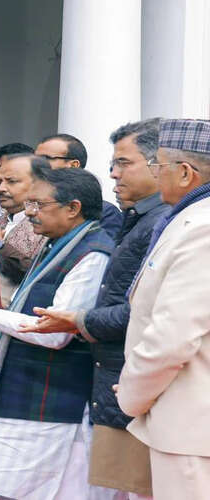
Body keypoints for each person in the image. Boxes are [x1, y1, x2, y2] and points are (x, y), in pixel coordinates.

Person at [0, 166, 115, 499]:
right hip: (26, 396)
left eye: (38, 205)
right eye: (28, 204)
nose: (28, 213)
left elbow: (54, 331)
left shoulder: (92, 254)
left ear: (72, 208)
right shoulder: (59, 244)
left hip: (51, 404)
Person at [16, 119, 168, 499]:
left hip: (140, 386)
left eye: (123, 163)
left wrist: (81, 319)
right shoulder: (143, 218)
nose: (113, 174)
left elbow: (150, 313)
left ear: (160, 163)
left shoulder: (164, 223)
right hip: (118, 384)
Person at [116, 118, 210, 498]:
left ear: (185, 173)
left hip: (191, 423)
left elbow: (173, 336)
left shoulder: (202, 228)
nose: (154, 174)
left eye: (158, 166)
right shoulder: (188, 219)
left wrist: (132, 395)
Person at [0, 153, 47, 301]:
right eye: (0, 182)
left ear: (40, 184)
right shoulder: (2, 220)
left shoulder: (47, 224)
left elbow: (39, 274)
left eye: (11, 181)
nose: (1, 189)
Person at [36, 133, 123, 238]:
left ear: (73, 165)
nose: (36, 165)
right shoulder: (31, 206)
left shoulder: (105, 212)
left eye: (45, 158)